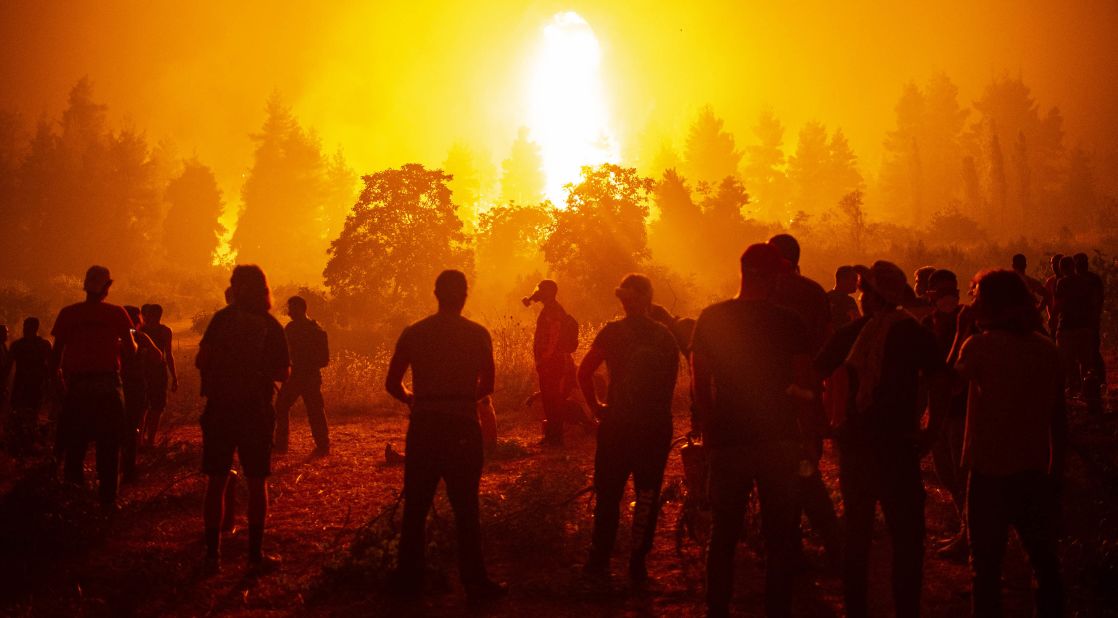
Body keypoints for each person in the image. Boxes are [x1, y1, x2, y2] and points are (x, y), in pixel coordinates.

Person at [814, 261, 951, 618]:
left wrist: (828, 425)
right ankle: (906, 609)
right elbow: (940, 380)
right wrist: (931, 429)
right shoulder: (914, 333)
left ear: (871, 298)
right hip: (898, 447)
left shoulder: (850, 335)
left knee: (857, 536)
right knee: (907, 538)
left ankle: (856, 608)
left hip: (857, 448)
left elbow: (814, 374)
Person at [692, 243, 816, 618]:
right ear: (764, 277)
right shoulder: (789, 321)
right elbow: (803, 383)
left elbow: (701, 382)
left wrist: (710, 429)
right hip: (778, 439)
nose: (783, 279)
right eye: (778, 274)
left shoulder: (712, 317)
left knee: (724, 535)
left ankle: (718, 609)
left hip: (729, 439)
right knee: (780, 537)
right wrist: (807, 435)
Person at [385, 270, 506, 603]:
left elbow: (392, 383)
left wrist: (414, 399)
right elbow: (488, 385)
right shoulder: (478, 335)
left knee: (416, 508)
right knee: (466, 507)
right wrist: (461, 397)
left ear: (435, 294)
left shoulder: (415, 333)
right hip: (462, 427)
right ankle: (475, 581)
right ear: (464, 295)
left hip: (424, 427)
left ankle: (408, 582)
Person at [954, 270, 1066, 617]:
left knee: (985, 569)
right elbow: (1058, 419)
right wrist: (1056, 471)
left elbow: (947, 386)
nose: (972, 303)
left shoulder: (979, 346)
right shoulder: (1045, 348)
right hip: (1033, 470)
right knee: (1043, 564)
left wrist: (959, 334)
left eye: (976, 297)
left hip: (989, 473)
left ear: (990, 304)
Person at [577, 274, 680, 583]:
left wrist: (596, 407)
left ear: (623, 300)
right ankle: (638, 562)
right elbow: (669, 386)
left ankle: (599, 560)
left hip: (618, 424)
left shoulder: (611, 333)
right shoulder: (665, 337)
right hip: (654, 426)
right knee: (647, 494)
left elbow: (583, 372)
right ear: (649, 298)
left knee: (608, 494)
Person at [196, 265, 290, 571]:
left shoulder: (222, 320)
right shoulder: (270, 324)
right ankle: (254, 555)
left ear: (236, 288)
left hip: (220, 408)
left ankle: (213, 555)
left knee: (216, 480)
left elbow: (202, 359)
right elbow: (283, 372)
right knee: (257, 481)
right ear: (264, 288)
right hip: (256, 411)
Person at [768, 233, 842, 570]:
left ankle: (789, 539)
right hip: (808, 391)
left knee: (774, 465)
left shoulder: (765, 291)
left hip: (770, 393)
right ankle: (830, 541)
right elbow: (828, 342)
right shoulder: (814, 292)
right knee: (807, 463)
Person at [50, 266, 136, 508]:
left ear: (85, 284)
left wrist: (59, 385)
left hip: (77, 387)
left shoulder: (68, 313)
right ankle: (108, 501)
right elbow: (131, 351)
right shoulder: (117, 313)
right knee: (109, 444)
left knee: (75, 445)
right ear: (108, 287)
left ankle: (73, 500)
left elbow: (56, 356)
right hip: (108, 385)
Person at [921, 269, 968, 559]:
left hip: (963, 409)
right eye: (942, 293)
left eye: (952, 291)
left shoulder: (970, 322)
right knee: (945, 472)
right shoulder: (927, 325)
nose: (949, 297)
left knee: (963, 473)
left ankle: (969, 534)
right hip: (938, 408)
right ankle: (966, 528)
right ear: (931, 296)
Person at [524, 279, 579, 446]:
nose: (538, 292)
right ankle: (552, 437)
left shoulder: (553, 310)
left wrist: (544, 359)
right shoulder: (552, 308)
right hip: (552, 361)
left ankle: (555, 439)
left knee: (552, 399)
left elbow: (554, 335)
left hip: (552, 362)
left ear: (548, 292)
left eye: (541, 289)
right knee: (550, 399)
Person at [274, 296, 330, 456]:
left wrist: (302, 364)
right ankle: (322, 445)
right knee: (308, 410)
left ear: (300, 308)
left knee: (312, 410)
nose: (289, 312)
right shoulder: (299, 329)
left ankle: (283, 444)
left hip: (305, 376)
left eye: (292, 309)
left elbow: (323, 359)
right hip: (300, 376)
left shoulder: (313, 330)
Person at [120, 306, 162, 483]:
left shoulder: (118, 336)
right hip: (132, 386)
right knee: (131, 427)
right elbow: (158, 357)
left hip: (121, 385)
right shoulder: (139, 337)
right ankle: (127, 467)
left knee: (123, 427)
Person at [5, 318, 52, 452]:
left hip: (32, 386)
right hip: (25, 385)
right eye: (26, 326)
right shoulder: (37, 345)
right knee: (22, 414)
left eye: (28, 326)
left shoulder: (20, 345)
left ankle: (24, 444)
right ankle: (22, 445)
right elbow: (51, 367)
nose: (26, 329)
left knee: (28, 414)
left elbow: (51, 367)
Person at [1054, 255, 1096, 399]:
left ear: (1061, 268)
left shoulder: (1062, 283)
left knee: (1067, 361)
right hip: (1085, 326)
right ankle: (1088, 391)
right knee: (1085, 362)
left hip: (1067, 326)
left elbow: (1058, 305)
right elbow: (1092, 303)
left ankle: (1072, 389)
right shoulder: (1085, 281)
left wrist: (1052, 319)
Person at [139, 304, 177, 447]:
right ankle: (146, 441)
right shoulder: (160, 331)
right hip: (150, 372)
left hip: (153, 372)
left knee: (153, 407)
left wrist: (174, 376)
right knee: (152, 407)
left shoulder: (142, 330)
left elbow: (169, 355)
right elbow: (169, 355)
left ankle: (145, 441)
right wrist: (174, 377)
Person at [1075, 252, 1107, 399]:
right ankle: (1096, 383)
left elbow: (1097, 300)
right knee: (1090, 352)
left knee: (1090, 352)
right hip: (1088, 321)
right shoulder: (1092, 279)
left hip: (1087, 321)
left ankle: (1096, 383)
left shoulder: (1086, 280)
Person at [828, 265, 861, 331]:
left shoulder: (825, 297)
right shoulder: (849, 302)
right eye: (854, 279)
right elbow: (859, 324)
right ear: (843, 279)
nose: (857, 283)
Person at [1043, 254, 1063, 337]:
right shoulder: (1050, 281)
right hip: (1054, 323)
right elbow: (1045, 300)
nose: (1054, 266)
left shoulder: (1067, 282)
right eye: (1052, 264)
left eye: (1056, 263)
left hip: (1065, 323)